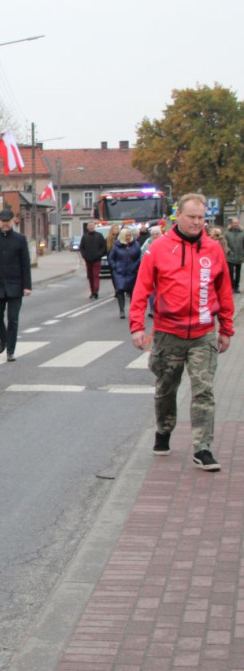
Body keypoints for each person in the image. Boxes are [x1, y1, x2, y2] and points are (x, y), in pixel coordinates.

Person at [130, 193, 234, 472]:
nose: (198, 222)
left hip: (203, 333)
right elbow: (142, 289)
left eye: (202, 218)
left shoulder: (213, 249)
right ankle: (163, 430)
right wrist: (137, 326)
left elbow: (224, 291)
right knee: (166, 388)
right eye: (192, 217)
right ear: (179, 216)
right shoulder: (159, 248)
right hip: (168, 332)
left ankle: (202, 448)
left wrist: (226, 328)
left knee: (204, 391)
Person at [0, 208, 32, 361]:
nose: (5, 224)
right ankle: (3, 336)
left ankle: (10, 351)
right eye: (3, 221)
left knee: (13, 319)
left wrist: (27, 286)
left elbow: (25, 264)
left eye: (8, 221)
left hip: (15, 285)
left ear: (12, 221)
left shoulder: (20, 239)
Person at [108, 227, 142, 320]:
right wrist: (115, 267)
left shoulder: (136, 244)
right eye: (126, 236)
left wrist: (136, 266)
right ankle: (122, 310)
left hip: (132, 271)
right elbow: (111, 258)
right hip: (120, 272)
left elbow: (139, 256)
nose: (128, 237)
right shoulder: (117, 245)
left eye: (129, 235)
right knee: (120, 291)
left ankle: (132, 309)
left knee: (132, 292)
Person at [79, 223, 108, 299]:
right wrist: (84, 255)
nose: (91, 227)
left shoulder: (99, 236)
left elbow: (103, 247)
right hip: (88, 259)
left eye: (92, 226)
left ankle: (96, 290)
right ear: (87, 227)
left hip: (97, 259)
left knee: (96, 275)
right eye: (90, 226)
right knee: (90, 276)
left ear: (94, 227)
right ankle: (92, 291)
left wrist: (100, 254)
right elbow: (81, 247)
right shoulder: (85, 237)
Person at [225, 217, 243, 293]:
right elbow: (224, 244)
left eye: (237, 223)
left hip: (239, 255)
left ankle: (236, 287)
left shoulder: (242, 233)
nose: (235, 224)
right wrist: (228, 251)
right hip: (230, 256)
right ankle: (231, 286)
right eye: (234, 223)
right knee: (230, 272)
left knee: (238, 272)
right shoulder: (227, 233)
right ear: (231, 224)